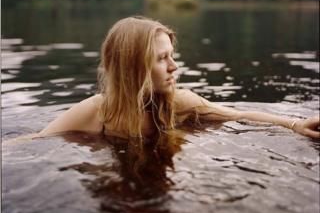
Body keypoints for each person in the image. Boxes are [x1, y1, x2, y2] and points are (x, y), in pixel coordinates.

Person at [9, 16, 320, 141]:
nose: (174, 67)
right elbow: (33, 141)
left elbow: (238, 114)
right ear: (133, 67)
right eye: (161, 59)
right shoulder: (96, 111)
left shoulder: (179, 102)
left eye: (172, 56)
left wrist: (294, 124)